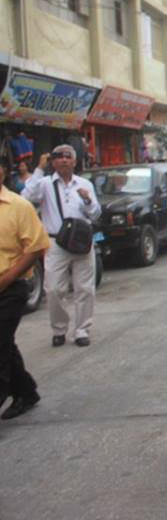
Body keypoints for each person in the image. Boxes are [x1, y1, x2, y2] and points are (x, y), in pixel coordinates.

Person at [21, 145, 100, 348]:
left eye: (68, 157)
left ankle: (82, 330)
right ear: (53, 162)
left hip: (82, 243)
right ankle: (59, 329)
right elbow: (25, 197)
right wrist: (39, 169)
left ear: (74, 162)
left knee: (85, 288)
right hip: (56, 242)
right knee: (54, 289)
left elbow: (96, 213)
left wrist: (88, 200)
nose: (64, 160)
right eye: (59, 157)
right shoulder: (45, 184)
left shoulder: (84, 184)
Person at [0, 163, 49, 420]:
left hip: (11, 287)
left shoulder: (19, 206)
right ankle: (26, 391)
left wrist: (7, 279)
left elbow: (35, 248)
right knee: (5, 344)